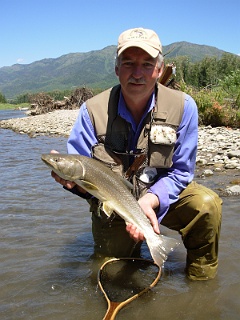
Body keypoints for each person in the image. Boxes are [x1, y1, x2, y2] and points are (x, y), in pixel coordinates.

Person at [51, 27, 222, 280]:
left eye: (147, 64)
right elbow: (86, 181)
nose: (138, 73)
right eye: (129, 63)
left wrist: (151, 200)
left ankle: (201, 284)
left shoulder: (184, 107)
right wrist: (75, 186)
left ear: (160, 69)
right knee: (112, 274)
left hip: (162, 196)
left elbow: (182, 172)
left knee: (206, 206)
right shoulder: (91, 112)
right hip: (114, 203)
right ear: (117, 69)